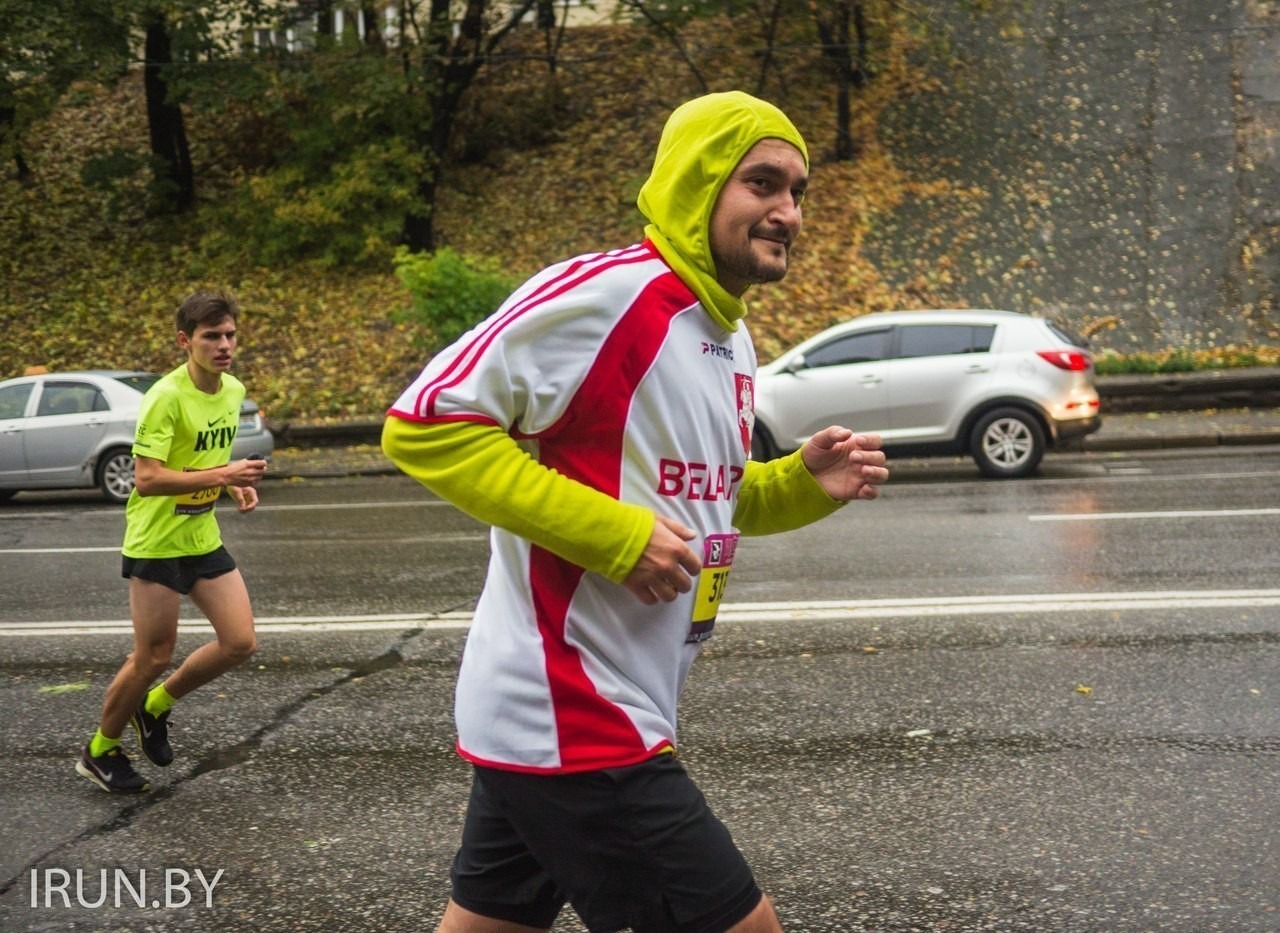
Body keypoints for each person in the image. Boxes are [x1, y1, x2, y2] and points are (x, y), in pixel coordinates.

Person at [382, 91, 889, 932]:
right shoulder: (614, 297)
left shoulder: (730, 335)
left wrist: (801, 482)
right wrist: (615, 540)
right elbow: (425, 425)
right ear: (698, 183)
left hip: (589, 706)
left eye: (798, 191)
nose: (788, 212)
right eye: (761, 183)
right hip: (574, 703)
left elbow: (703, 500)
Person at [76, 291, 268, 794]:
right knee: (152, 657)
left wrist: (229, 483)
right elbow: (148, 478)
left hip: (202, 534)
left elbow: (201, 459)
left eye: (229, 335)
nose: (224, 345)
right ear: (186, 341)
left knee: (240, 642)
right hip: (157, 541)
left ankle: (155, 705)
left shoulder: (231, 391)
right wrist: (225, 471)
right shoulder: (164, 396)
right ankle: (99, 751)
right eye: (211, 337)